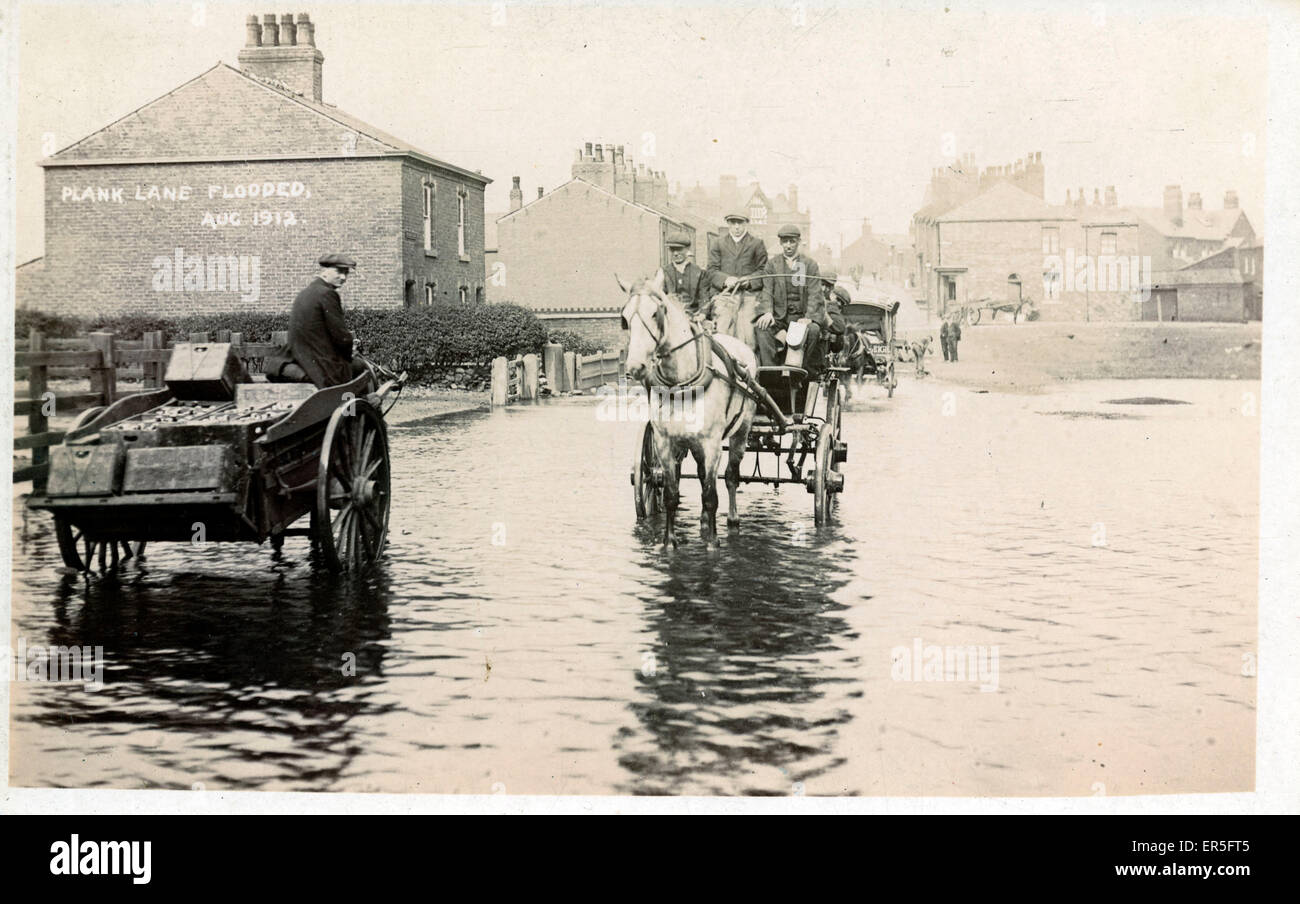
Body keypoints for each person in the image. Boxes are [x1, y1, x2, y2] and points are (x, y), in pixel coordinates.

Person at [272, 253, 367, 388]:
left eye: (346, 273)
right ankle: (353, 406)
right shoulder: (328, 294)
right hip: (320, 365)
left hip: (299, 359)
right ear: (325, 271)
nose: (343, 277)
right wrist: (349, 351)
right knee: (360, 366)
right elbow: (342, 338)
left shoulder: (305, 293)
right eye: (339, 271)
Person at [755, 224, 828, 375]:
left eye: (792, 241)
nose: (788, 245)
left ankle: (799, 371)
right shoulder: (772, 265)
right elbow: (767, 291)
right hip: (779, 317)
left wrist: (808, 318)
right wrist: (767, 312)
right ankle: (771, 373)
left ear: (798, 242)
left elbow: (815, 294)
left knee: (813, 330)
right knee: (762, 328)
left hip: (801, 317)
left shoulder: (809, 265)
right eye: (785, 241)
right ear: (781, 243)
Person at [706, 212, 767, 341]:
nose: (737, 227)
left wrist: (749, 280)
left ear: (746, 223)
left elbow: (764, 271)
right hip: (725, 295)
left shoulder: (757, 244)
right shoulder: (718, 243)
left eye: (740, 223)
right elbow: (711, 271)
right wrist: (726, 279)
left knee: (747, 333)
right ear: (728, 224)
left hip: (749, 296)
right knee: (723, 329)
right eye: (733, 223)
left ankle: (749, 359)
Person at [662, 231, 708, 318]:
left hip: (693, 315)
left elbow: (704, 297)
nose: (675, 253)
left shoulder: (699, 272)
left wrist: (702, 314)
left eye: (679, 249)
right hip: (670, 317)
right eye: (672, 249)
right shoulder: (663, 272)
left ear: (687, 249)